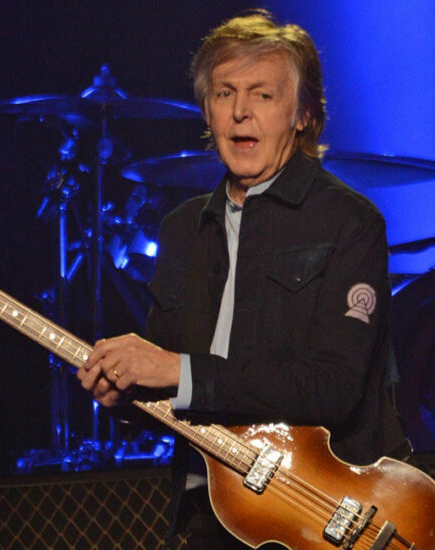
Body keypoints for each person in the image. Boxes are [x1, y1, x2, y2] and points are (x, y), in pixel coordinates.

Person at [77, 9, 409, 549]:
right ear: (207, 112)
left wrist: (178, 370)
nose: (239, 112)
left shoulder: (349, 222)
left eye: (263, 95)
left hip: (313, 513)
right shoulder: (183, 229)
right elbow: (175, 395)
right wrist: (126, 397)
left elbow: (334, 389)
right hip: (207, 512)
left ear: (303, 114)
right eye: (224, 93)